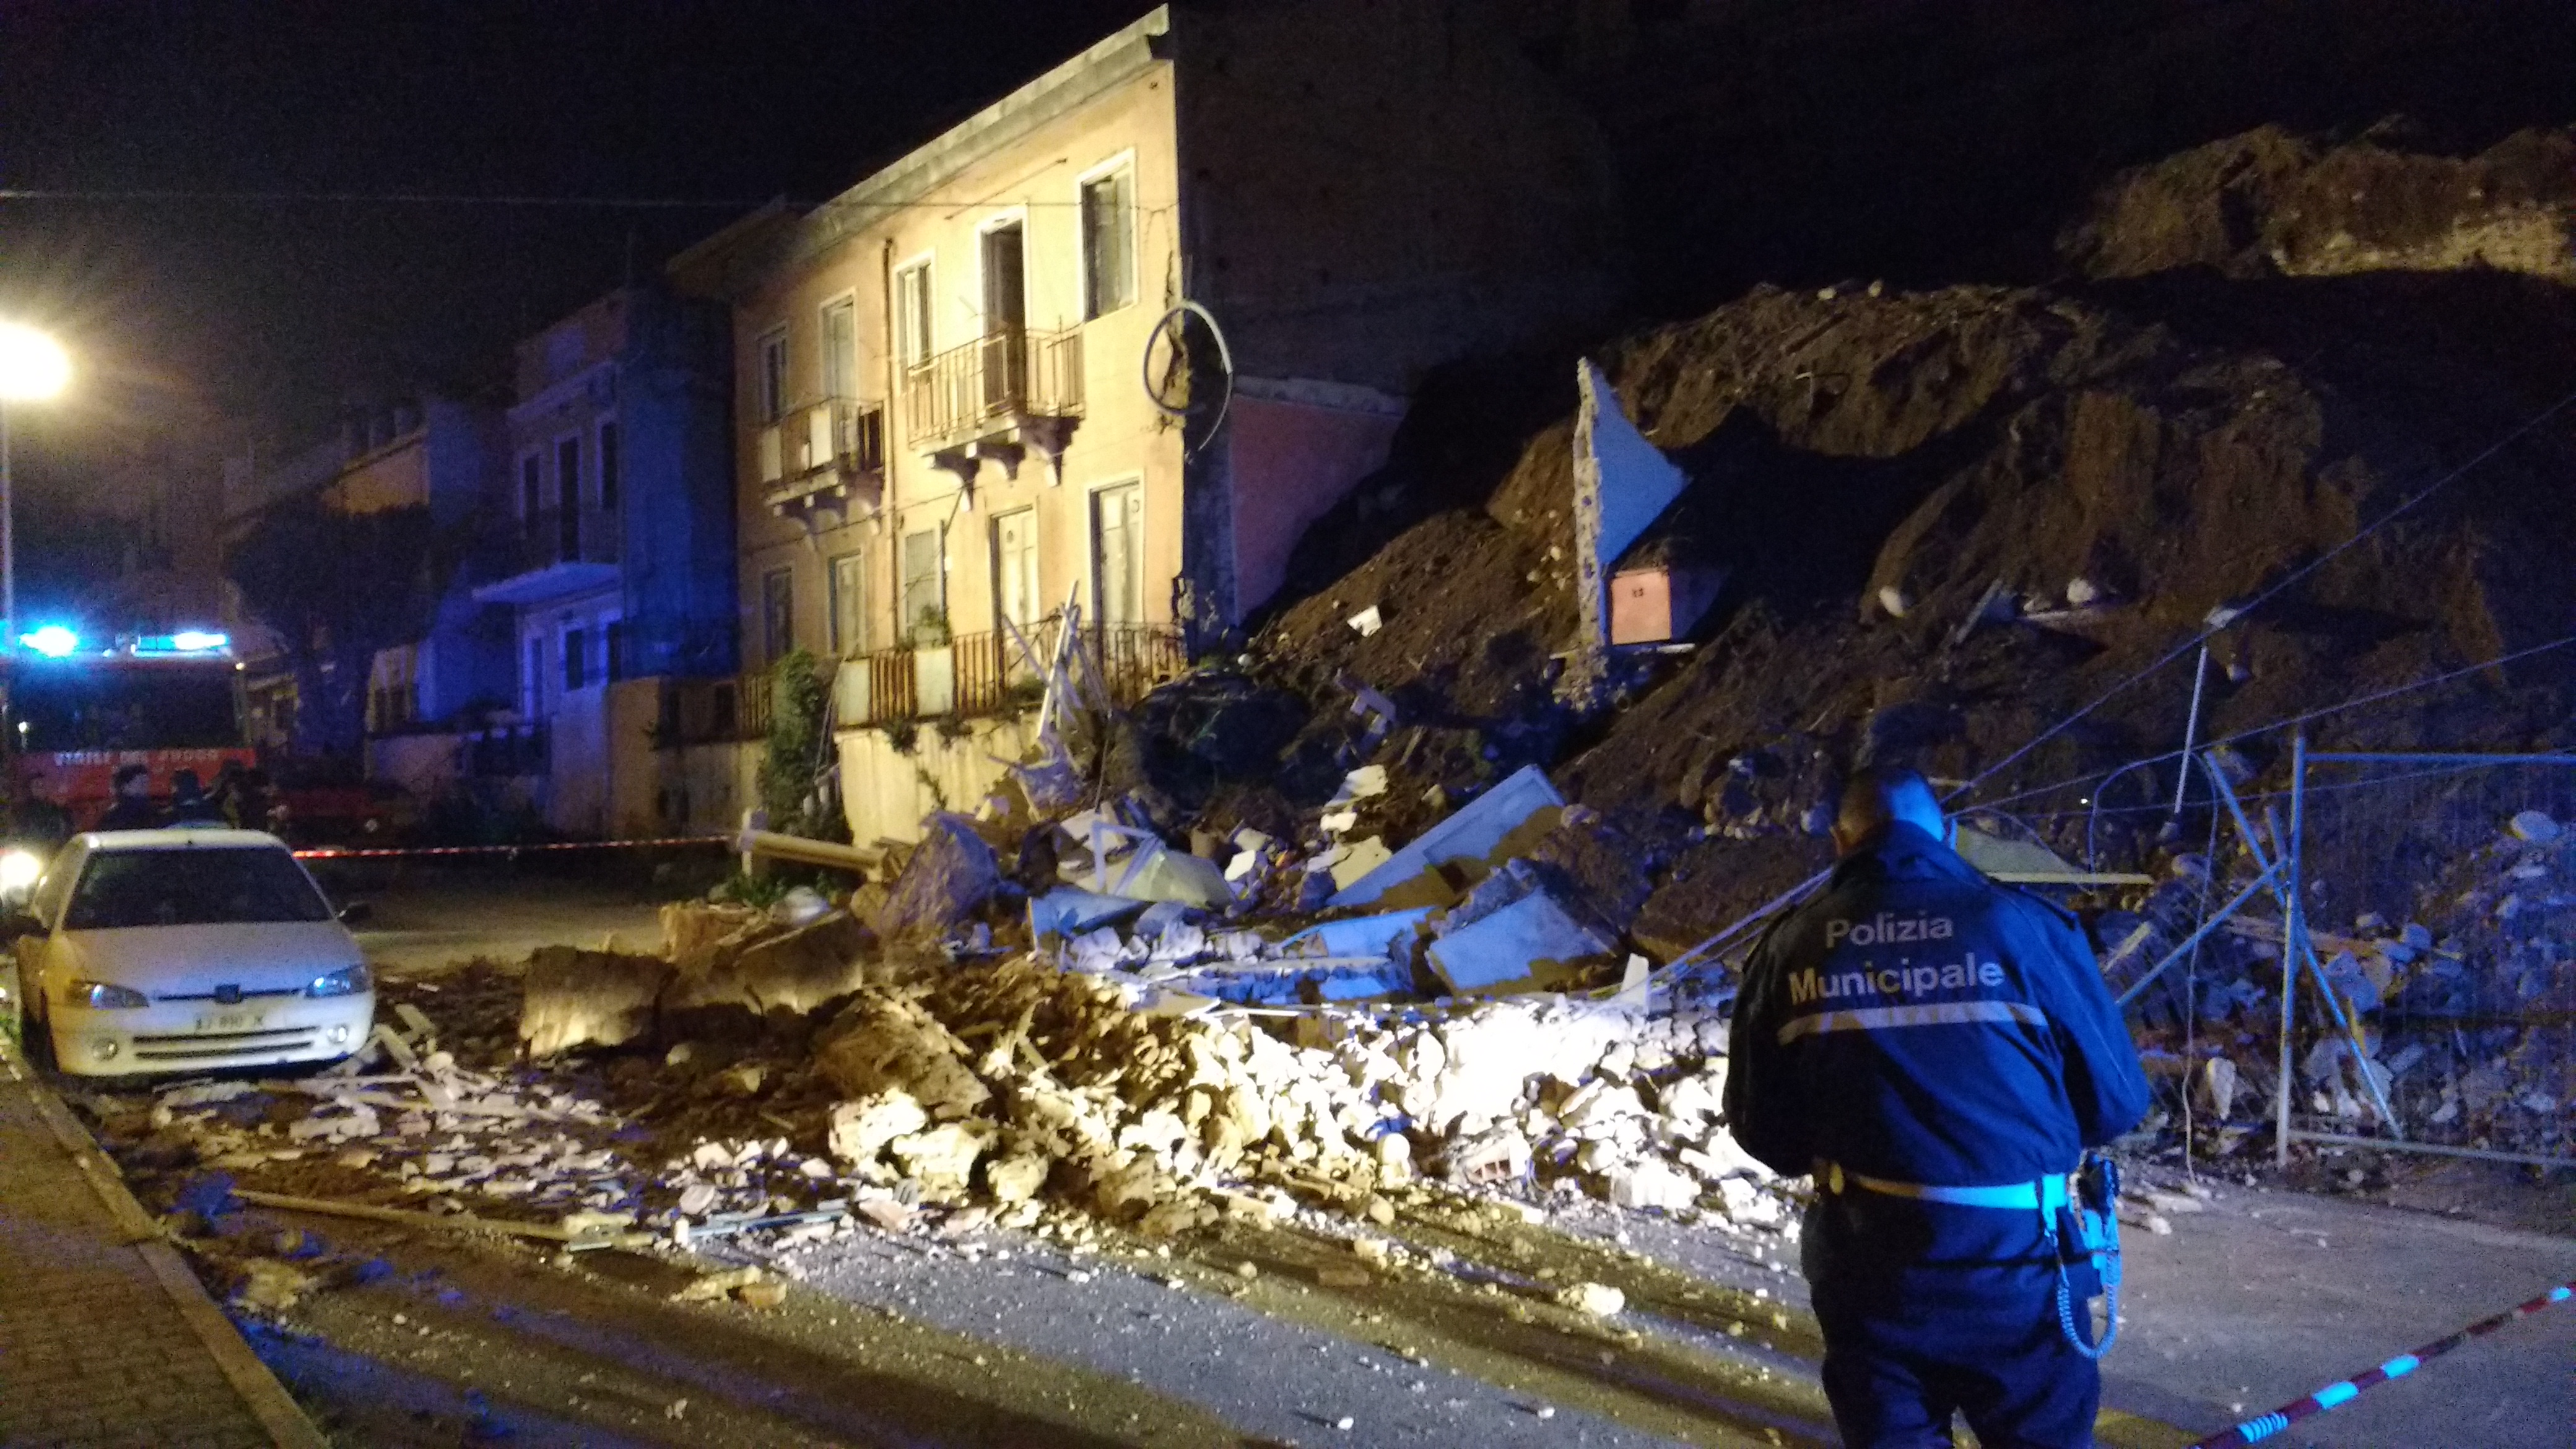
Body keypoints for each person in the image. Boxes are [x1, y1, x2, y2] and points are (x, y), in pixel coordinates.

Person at [1725, 765, 2149, 1448]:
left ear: (1840, 841)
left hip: (1867, 1268)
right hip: (2015, 1267)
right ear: (1948, 834)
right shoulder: (2021, 927)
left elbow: (1762, 1131)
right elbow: (2115, 1102)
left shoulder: (1790, 945)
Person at [96, 764, 161, 831]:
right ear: (125, 786)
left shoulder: (151, 810)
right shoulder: (115, 816)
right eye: (141, 783)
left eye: (147, 783)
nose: (145, 787)